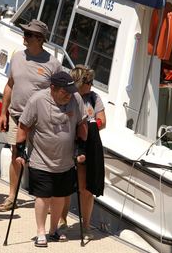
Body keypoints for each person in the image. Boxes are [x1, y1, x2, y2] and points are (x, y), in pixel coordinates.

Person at [0, 19, 62, 212]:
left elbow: (58, 95)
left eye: (29, 34)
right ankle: (11, 197)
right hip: (16, 116)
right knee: (16, 154)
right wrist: (3, 113)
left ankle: (44, 199)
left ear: (40, 39)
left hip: (41, 120)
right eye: (25, 33)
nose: (24, 36)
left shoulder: (53, 64)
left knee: (43, 160)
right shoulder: (16, 56)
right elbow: (10, 84)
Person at [15, 71, 87, 247]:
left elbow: (82, 124)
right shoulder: (37, 100)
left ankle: (53, 229)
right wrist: (19, 152)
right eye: (64, 92)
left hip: (66, 160)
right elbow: (23, 126)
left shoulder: (75, 99)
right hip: (41, 158)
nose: (68, 95)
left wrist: (81, 148)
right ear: (53, 88)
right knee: (43, 197)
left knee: (60, 196)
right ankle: (40, 231)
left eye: (70, 91)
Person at [59, 65, 106, 240]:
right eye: (88, 81)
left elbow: (103, 121)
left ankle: (85, 227)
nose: (92, 84)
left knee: (87, 189)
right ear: (80, 81)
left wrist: (91, 125)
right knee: (66, 187)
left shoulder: (94, 98)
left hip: (90, 144)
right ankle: (62, 222)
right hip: (70, 143)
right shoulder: (68, 97)